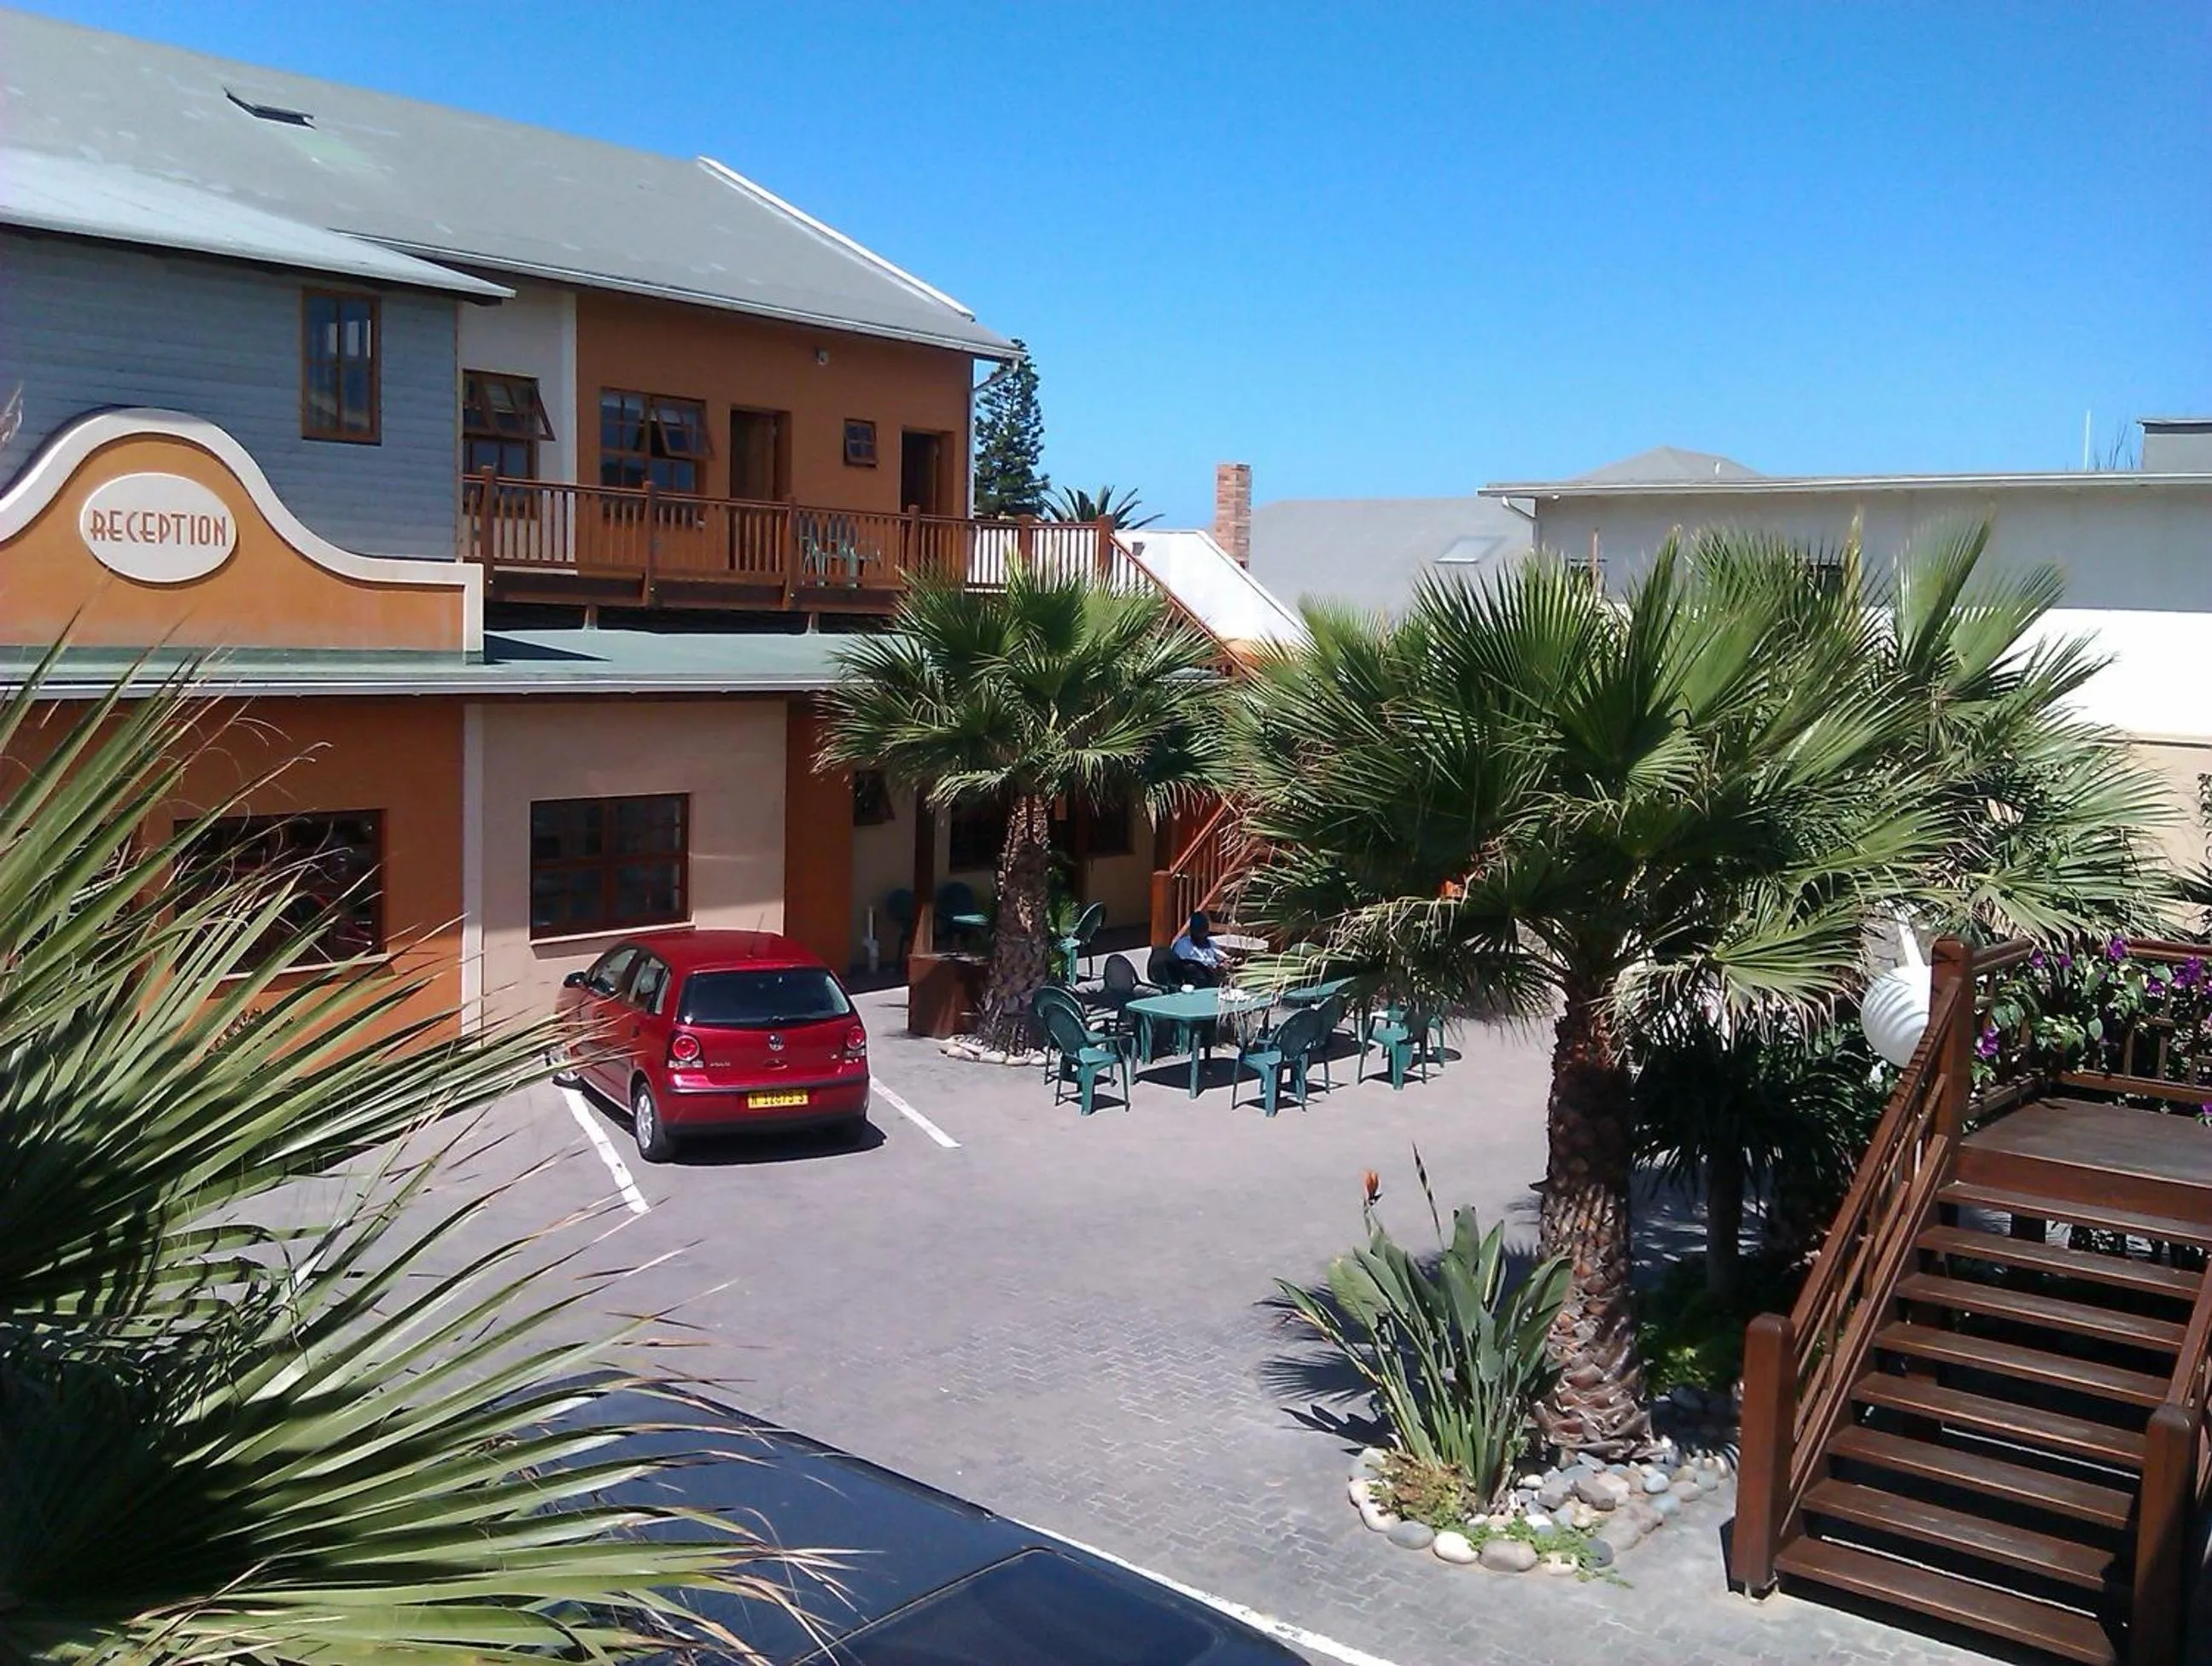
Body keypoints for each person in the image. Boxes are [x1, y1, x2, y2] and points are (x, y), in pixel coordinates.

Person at [1170, 910, 1228, 988]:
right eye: (1199, 929)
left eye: (1204, 929)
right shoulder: (1183, 945)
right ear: (1192, 930)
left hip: (1214, 979)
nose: (1202, 933)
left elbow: (1223, 960)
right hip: (1194, 981)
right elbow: (1181, 966)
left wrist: (1222, 966)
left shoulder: (1212, 945)